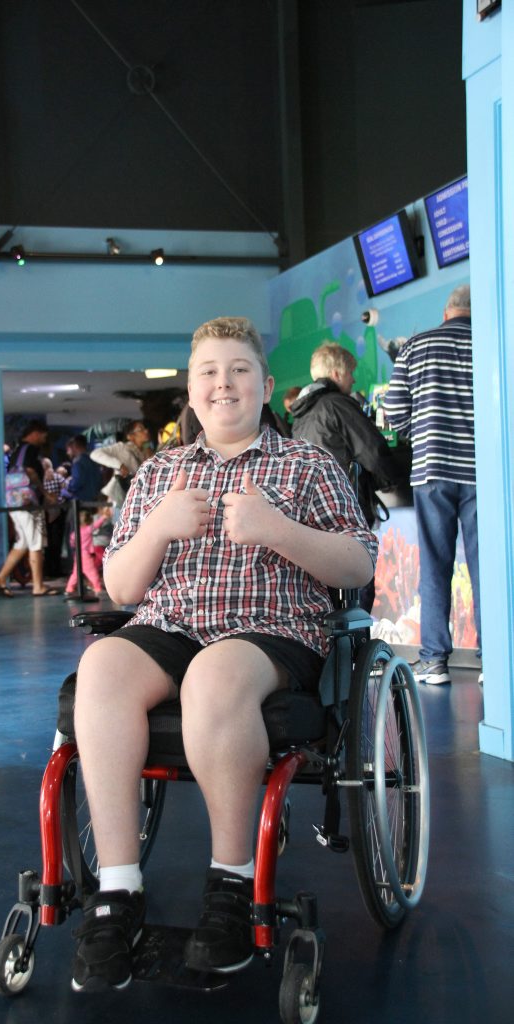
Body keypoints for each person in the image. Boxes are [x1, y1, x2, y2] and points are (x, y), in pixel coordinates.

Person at [70, 316, 376, 992]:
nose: (223, 383)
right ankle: (117, 890)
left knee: (213, 676)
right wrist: (156, 527)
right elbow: (120, 586)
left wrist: (276, 529)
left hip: (272, 630)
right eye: (209, 371)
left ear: (265, 385)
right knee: (101, 668)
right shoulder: (162, 472)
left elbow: (356, 560)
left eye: (238, 369)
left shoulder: (306, 464)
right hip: (171, 624)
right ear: (191, 388)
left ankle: (232, 884)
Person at [384, 284, 479, 686]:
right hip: (481, 469)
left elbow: (392, 411)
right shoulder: (490, 337)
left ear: (446, 312)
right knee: (485, 566)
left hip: (432, 469)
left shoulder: (418, 345)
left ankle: (434, 660)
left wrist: (420, 433)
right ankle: (495, 662)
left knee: (435, 566)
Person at [289, 342, 404, 611]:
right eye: (351, 373)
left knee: (328, 596)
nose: (353, 379)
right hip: (347, 511)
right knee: (357, 592)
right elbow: (373, 451)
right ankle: (355, 651)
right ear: (338, 374)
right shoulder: (339, 405)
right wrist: (392, 479)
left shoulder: (301, 415)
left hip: (313, 516)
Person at [0, 421, 59, 597]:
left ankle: (0, 578)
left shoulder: (16, 451)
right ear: (35, 433)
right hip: (28, 503)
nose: (44, 440)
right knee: (36, 542)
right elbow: (30, 471)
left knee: (22, 543)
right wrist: (45, 493)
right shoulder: (30, 450)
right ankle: (38, 586)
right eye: (43, 436)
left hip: (14, 503)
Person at [89, 420, 154, 514]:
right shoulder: (122, 448)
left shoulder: (145, 451)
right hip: (119, 498)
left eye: (145, 428)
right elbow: (95, 454)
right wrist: (119, 465)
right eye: (140, 429)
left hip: (135, 497)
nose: (146, 431)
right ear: (130, 436)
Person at [64, 509, 104, 597]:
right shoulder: (88, 530)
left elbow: (72, 542)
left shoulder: (74, 533)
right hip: (86, 555)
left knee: (75, 573)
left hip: (77, 555)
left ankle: (69, 588)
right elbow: (96, 525)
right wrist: (103, 517)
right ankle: (97, 587)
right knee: (92, 572)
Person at [61, 435, 103, 503]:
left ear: (74, 446)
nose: (67, 453)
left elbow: (77, 482)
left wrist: (67, 485)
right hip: (94, 500)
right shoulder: (93, 460)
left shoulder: (78, 462)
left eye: (68, 449)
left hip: (82, 501)